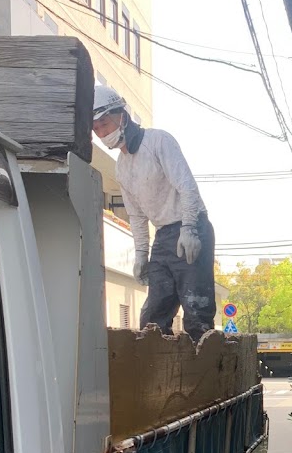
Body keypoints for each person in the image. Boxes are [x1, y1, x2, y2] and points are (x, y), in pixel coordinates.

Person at [92, 85, 216, 341]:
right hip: (163, 236)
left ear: (121, 116)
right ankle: (162, 365)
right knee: (152, 321)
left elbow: (187, 187)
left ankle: (207, 362)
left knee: (197, 315)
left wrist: (190, 228)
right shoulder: (122, 168)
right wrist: (141, 254)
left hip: (192, 227)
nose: (102, 133)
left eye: (104, 124)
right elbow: (137, 216)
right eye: (96, 129)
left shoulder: (158, 141)